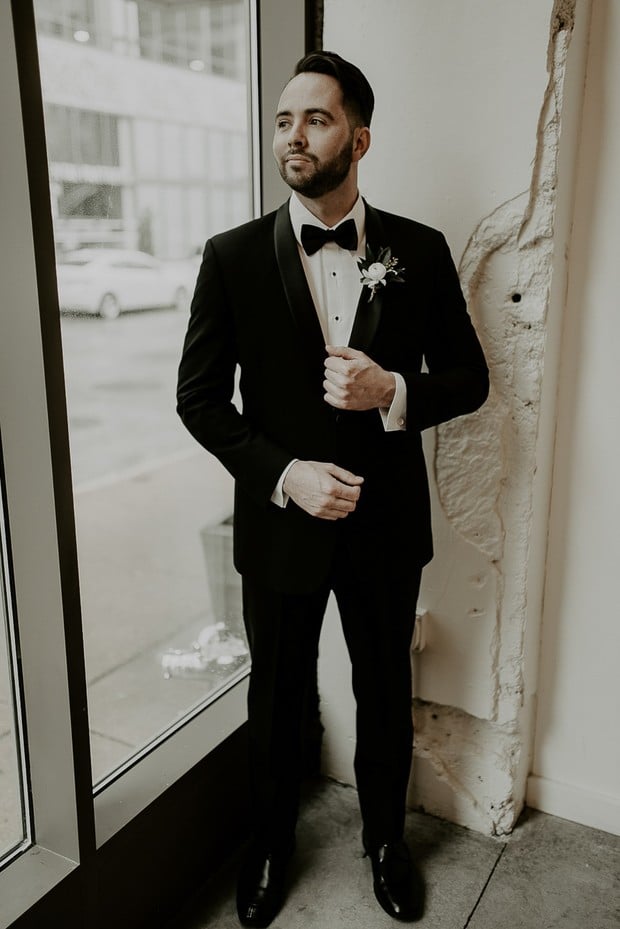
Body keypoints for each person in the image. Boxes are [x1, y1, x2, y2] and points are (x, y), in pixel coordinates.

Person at [177, 50, 489, 927]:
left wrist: (392, 389)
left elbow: (469, 379)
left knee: (384, 686)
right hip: (282, 526)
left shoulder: (419, 251)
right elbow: (197, 399)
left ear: (360, 137)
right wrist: (284, 473)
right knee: (275, 694)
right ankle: (272, 846)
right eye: (283, 119)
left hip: (386, 526)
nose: (294, 135)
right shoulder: (232, 257)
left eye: (314, 119)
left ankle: (386, 843)